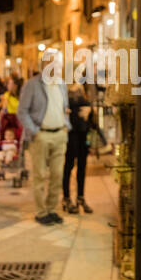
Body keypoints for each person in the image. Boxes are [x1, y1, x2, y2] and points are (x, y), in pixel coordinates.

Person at [18, 51, 70, 224]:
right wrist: (34, 131)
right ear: (43, 66)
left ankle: (52, 209)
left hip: (59, 135)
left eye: (56, 64)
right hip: (41, 135)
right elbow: (22, 111)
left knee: (57, 175)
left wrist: (66, 127)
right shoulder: (32, 84)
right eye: (49, 64)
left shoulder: (62, 84)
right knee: (40, 175)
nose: (53, 67)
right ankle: (41, 212)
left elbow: (65, 108)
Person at [63, 84, 95, 214]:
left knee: (82, 166)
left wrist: (90, 111)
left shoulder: (83, 88)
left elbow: (90, 110)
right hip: (70, 134)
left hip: (83, 133)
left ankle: (80, 198)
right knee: (68, 166)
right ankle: (66, 198)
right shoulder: (63, 89)